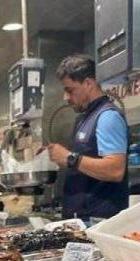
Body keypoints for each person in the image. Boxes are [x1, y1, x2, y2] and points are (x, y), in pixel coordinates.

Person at [47, 54, 129, 221]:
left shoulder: (107, 117)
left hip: (99, 222)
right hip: (81, 220)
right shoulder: (84, 118)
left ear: (88, 84)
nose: (66, 97)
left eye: (70, 90)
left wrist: (70, 158)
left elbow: (115, 170)